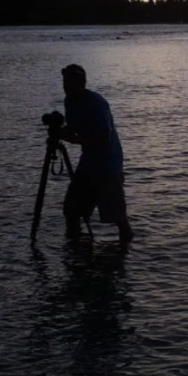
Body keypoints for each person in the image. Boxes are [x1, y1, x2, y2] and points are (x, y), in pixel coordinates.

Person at [59, 64, 134, 242]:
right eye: (64, 81)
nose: (65, 86)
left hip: (108, 166)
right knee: (72, 211)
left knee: (117, 217)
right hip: (88, 164)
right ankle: (76, 251)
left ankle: (125, 253)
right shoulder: (69, 101)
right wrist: (61, 133)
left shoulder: (96, 103)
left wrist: (74, 140)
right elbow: (73, 127)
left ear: (80, 83)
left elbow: (103, 140)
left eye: (68, 82)